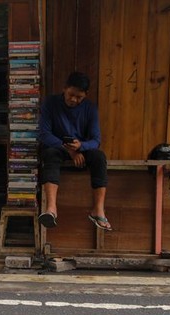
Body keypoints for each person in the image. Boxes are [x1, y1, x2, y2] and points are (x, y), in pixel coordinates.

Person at [37, 71, 111, 231]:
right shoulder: (50, 103)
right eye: (71, 94)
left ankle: (98, 210)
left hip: (81, 148)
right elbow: (44, 134)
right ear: (64, 88)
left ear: (85, 95)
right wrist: (69, 150)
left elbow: (96, 140)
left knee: (99, 157)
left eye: (79, 97)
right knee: (49, 155)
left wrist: (81, 147)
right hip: (57, 147)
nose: (73, 100)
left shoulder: (90, 109)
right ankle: (51, 209)